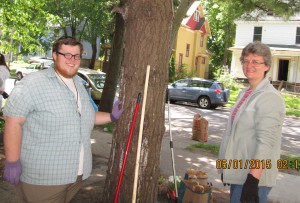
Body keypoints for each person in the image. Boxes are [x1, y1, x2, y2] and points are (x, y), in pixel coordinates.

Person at [3, 36, 124, 203]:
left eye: (76, 55)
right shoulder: (32, 84)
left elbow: (86, 116)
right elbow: (13, 121)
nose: (72, 60)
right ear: (54, 55)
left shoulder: (78, 83)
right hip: (44, 178)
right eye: (66, 54)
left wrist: (111, 116)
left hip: (77, 175)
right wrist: (12, 161)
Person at [218, 41, 286, 203]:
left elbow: (266, 142)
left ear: (267, 66)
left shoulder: (269, 97)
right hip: (240, 172)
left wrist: (253, 180)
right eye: (246, 61)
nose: (249, 65)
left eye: (256, 61)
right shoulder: (246, 93)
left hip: (253, 178)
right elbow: (234, 134)